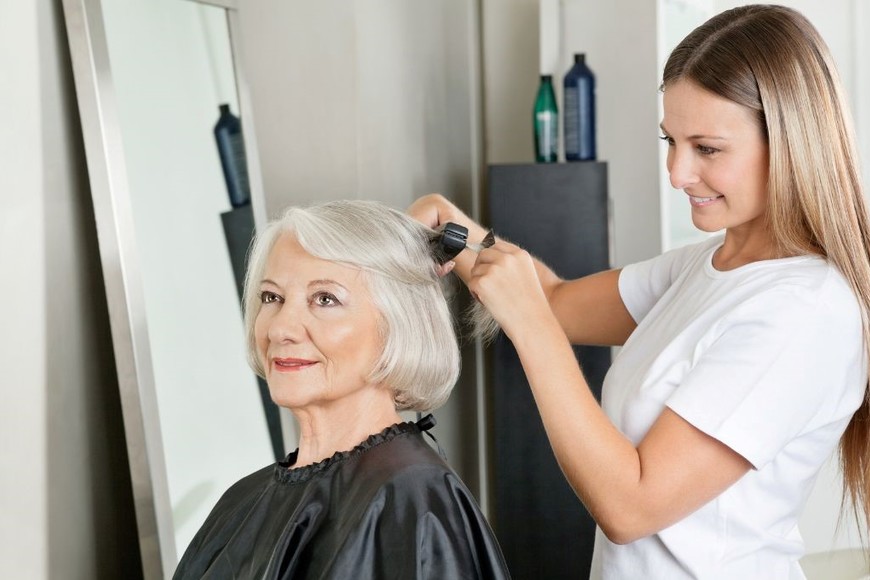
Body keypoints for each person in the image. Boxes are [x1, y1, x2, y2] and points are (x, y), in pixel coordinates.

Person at [409, 5, 870, 578]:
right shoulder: (708, 266)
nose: (677, 172)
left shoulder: (801, 310)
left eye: (707, 148)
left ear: (792, 143)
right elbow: (555, 303)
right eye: (670, 141)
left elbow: (630, 506)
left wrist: (528, 325)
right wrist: (457, 229)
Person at [174, 200, 510, 579]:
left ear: (397, 324)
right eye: (272, 297)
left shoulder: (409, 500)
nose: (280, 328)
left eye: (325, 299)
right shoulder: (242, 500)